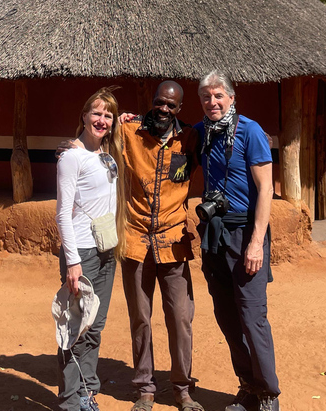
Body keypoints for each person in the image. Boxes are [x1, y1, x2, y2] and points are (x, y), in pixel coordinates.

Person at [194, 72, 280, 411]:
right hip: (214, 234)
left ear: (231, 97)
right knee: (227, 314)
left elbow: (266, 190)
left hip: (245, 233)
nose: (212, 102)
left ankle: (268, 394)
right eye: (205, 97)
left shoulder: (250, 131)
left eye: (218, 96)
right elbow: (164, 132)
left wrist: (256, 242)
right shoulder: (201, 132)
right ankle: (248, 386)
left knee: (252, 314)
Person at [119, 81, 203, 411]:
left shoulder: (189, 139)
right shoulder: (130, 132)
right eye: (159, 102)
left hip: (173, 241)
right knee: (140, 317)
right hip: (136, 239)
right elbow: (95, 126)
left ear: (180, 109)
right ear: (151, 103)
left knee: (180, 318)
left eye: (171, 105)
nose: (164, 109)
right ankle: (145, 388)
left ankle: (182, 387)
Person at [55, 88, 128, 411]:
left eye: (107, 115)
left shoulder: (106, 155)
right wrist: (72, 263)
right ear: (83, 116)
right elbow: (63, 212)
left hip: (107, 250)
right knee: (76, 327)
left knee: (95, 325)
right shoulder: (71, 157)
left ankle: (87, 392)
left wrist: (124, 122)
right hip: (82, 253)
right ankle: (71, 400)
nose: (101, 120)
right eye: (96, 113)